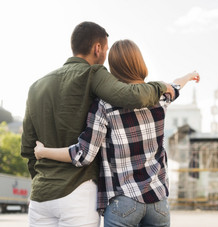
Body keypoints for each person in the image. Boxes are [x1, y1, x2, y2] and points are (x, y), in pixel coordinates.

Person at [21, 22, 174, 227]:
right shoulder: (93, 73)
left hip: (41, 196)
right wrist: (162, 86)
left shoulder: (36, 87)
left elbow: (28, 147)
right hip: (79, 191)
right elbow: (131, 96)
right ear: (98, 48)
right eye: (106, 49)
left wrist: (42, 177)